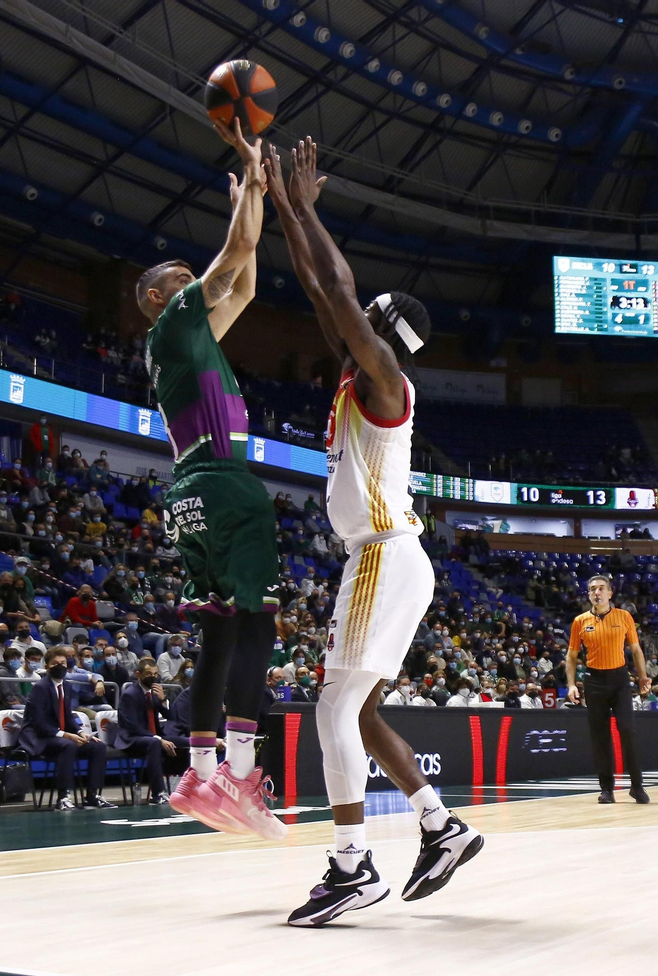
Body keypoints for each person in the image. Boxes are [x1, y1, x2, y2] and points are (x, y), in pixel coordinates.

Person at [267, 137, 480, 926]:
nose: (344, 325)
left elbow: (336, 287)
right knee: (357, 711)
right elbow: (325, 293)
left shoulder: (387, 379)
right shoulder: (364, 376)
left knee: (331, 708)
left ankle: (353, 867)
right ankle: (440, 825)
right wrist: (290, 212)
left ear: (382, 333)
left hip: (383, 556)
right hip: (398, 558)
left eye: (363, 322)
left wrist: (301, 208)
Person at [134, 116, 284, 839]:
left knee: (218, 637)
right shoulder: (170, 324)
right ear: (164, 299)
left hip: (187, 495)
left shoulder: (180, 344)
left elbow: (247, 288)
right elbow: (238, 254)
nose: (199, 286)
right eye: (184, 283)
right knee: (258, 624)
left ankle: (197, 773)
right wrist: (244, 200)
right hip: (223, 483)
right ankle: (244, 774)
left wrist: (254, 191)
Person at [566, 574, 651, 804]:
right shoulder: (580, 621)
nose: (597, 592)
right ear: (588, 594)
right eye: (593, 589)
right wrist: (572, 684)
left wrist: (643, 677)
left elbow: (635, 649)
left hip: (620, 678)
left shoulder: (624, 617)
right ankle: (607, 789)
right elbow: (572, 656)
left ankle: (637, 786)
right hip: (594, 681)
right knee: (600, 736)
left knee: (627, 729)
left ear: (610, 593)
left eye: (601, 588)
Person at [17, 645, 116, 810]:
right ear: (47, 666)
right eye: (56, 663)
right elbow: (39, 724)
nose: (60, 666)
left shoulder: (67, 686)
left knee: (98, 747)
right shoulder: (40, 688)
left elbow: (68, 716)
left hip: (58, 736)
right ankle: (64, 797)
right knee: (68, 746)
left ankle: (93, 795)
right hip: (39, 738)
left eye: (63, 663)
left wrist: (80, 732)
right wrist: (68, 736)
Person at [113, 661, 175, 805]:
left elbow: (171, 717)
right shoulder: (130, 694)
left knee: (185, 742)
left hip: (151, 736)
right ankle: (158, 793)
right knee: (154, 743)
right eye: (148, 674)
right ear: (138, 675)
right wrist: (158, 738)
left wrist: (163, 700)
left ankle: (189, 789)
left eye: (155, 674)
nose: (152, 677)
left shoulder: (153, 694)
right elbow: (133, 727)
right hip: (131, 739)